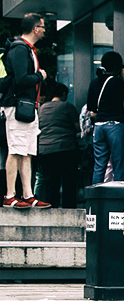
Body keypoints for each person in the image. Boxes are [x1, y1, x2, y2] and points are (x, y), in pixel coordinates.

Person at [2, 13, 50, 209]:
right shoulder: (20, 49)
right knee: (16, 150)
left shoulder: (25, 48)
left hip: (26, 106)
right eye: (43, 27)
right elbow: (21, 79)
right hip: (18, 105)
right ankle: (10, 195)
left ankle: (27, 194)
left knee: (27, 151)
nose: (45, 30)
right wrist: (40, 76)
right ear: (35, 28)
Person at [88, 51, 124, 184]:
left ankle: (96, 199)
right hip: (116, 125)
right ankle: (117, 199)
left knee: (99, 165)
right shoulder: (118, 82)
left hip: (99, 126)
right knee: (118, 165)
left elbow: (91, 107)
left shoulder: (94, 83)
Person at [36, 82, 79, 209]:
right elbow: (77, 127)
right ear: (64, 94)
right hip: (66, 148)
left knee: (51, 182)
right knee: (68, 181)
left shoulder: (41, 108)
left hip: (45, 149)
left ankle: (52, 207)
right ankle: (69, 208)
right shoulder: (67, 106)